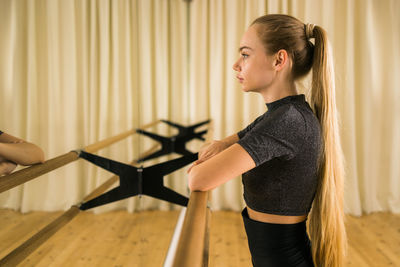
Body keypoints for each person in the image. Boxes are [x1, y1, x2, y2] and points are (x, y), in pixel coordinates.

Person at [188, 14, 346, 267]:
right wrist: (216, 149)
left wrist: (207, 160)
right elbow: (219, 147)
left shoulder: (288, 121)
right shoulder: (281, 114)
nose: (236, 64)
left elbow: (199, 178)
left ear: (279, 59)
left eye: (246, 54)